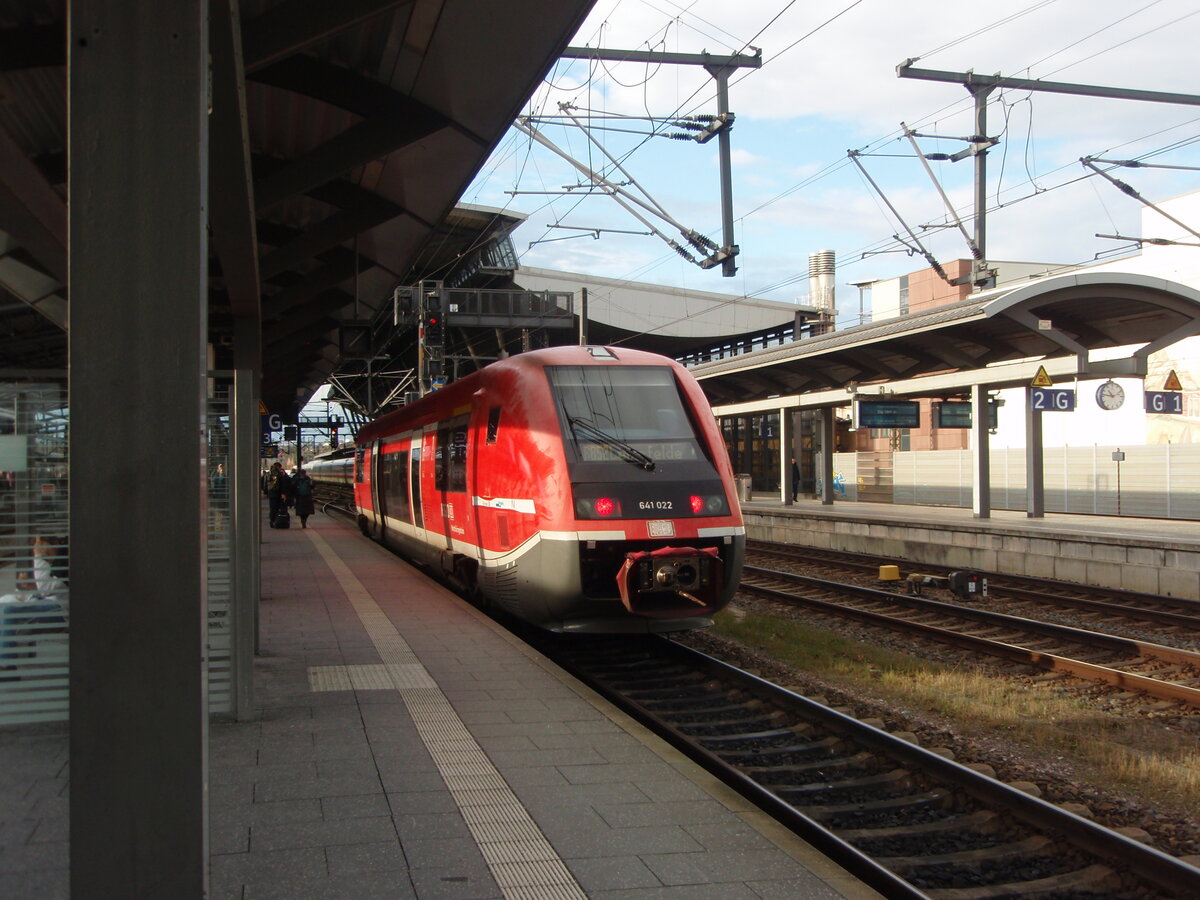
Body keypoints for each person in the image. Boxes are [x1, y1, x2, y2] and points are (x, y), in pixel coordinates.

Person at [263, 462, 291, 528]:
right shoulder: (280, 473)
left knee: (272, 508)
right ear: (278, 467)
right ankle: (277, 521)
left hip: (271, 494)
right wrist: (283, 493)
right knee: (279, 508)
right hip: (278, 494)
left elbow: (267, 483)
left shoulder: (269, 473)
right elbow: (283, 484)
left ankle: (272, 520)